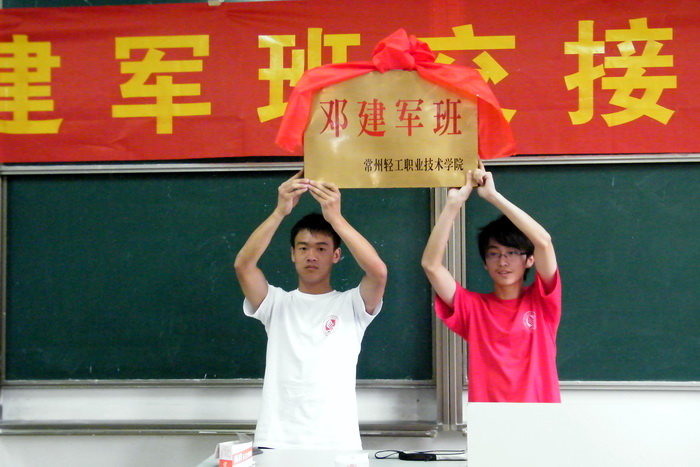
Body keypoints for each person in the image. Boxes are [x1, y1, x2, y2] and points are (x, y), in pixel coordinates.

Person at [234, 170, 387, 449]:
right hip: (278, 439)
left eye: (321, 248)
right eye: (303, 248)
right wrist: (280, 212)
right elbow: (243, 265)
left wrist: (335, 218)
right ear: (292, 254)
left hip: (336, 442)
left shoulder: (352, 305)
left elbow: (378, 272)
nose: (311, 256)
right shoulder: (276, 304)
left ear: (336, 255)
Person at [421, 161, 561, 402]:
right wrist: (453, 205)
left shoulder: (543, 302)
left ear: (529, 260)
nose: (503, 262)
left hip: (541, 414)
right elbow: (430, 265)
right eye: (494, 254)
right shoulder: (473, 308)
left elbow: (544, 242)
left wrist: (493, 196)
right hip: (488, 416)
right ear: (485, 263)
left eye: (512, 253)